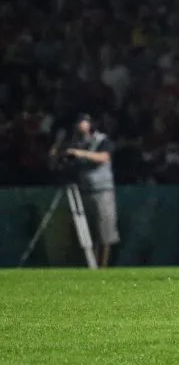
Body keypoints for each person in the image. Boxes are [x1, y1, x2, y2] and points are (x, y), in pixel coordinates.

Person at [64, 115, 120, 268]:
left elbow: (104, 157)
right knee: (88, 232)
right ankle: (90, 265)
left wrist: (81, 154)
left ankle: (102, 267)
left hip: (102, 190)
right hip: (83, 190)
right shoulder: (76, 143)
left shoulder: (102, 140)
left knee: (104, 232)